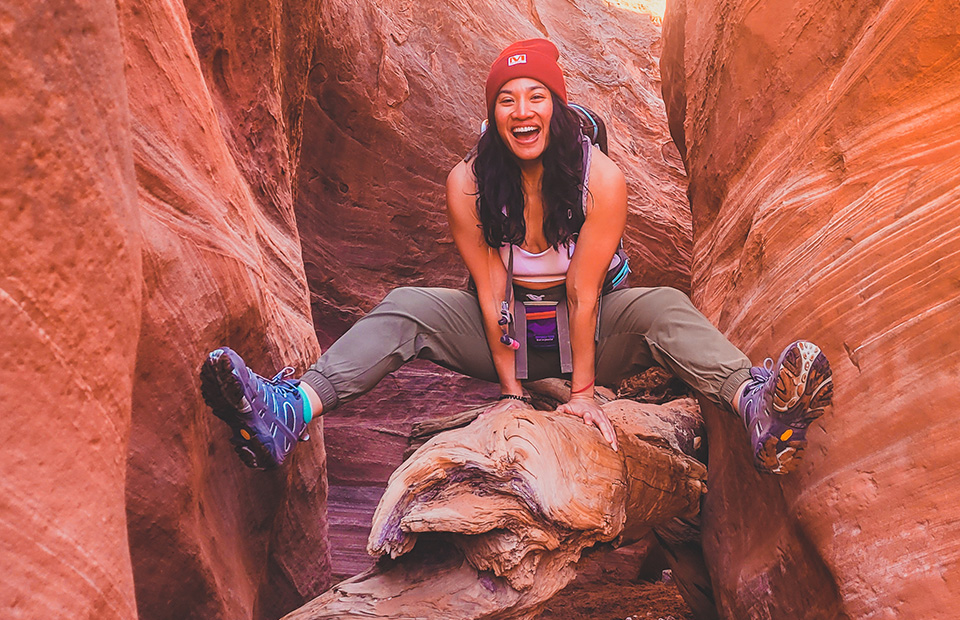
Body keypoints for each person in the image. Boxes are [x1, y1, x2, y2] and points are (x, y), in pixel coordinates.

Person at [200, 39, 833, 475]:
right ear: (493, 112)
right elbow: (489, 291)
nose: (522, 111)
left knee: (664, 306)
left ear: (556, 107)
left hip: (590, 329)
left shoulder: (600, 179)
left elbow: (587, 296)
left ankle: (756, 406)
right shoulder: (468, 182)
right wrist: (511, 393)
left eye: (536, 96)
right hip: (507, 330)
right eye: (507, 98)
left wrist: (583, 393)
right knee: (407, 308)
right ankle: (291, 411)